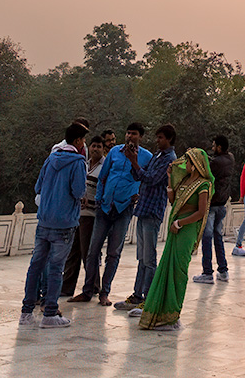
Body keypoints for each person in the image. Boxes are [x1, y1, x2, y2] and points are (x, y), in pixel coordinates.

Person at [128, 148, 214, 332]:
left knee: (178, 272)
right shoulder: (185, 181)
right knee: (166, 270)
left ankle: (173, 316)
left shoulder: (203, 185)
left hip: (186, 229)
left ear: (196, 163)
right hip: (175, 228)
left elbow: (200, 213)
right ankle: (160, 313)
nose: (186, 164)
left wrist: (180, 223)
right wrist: (169, 179)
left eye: (189, 161)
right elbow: (173, 199)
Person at [70, 122, 153, 305]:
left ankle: (104, 292)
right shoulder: (115, 152)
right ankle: (88, 290)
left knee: (114, 253)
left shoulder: (146, 157)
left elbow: (148, 180)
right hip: (105, 206)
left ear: (141, 137)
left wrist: (138, 192)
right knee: (93, 251)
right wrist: (99, 198)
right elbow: (103, 176)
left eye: (134, 134)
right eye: (128, 133)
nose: (130, 136)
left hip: (124, 209)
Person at [19, 122, 87, 328]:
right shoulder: (78, 162)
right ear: (77, 141)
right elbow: (78, 192)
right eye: (83, 139)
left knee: (36, 266)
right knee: (56, 269)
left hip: (45, 220)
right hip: (64, 223)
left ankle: (26, 312)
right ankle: (50, 313)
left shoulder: (50, 159)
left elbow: (38, 187)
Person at [114, 124, 177, 311]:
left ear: (169, 139)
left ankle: (149, 299)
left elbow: (150, 178)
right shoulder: (158, 156)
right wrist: (131, 160)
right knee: (142, 257)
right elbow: (140, 175)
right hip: (143, 208)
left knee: (149, 258)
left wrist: (134, 162)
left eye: (161, 138)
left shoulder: (169, 159)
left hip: (152, 210)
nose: (157, 141)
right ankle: (137, 295)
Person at [60, 136, 105, 298]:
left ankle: (93, 286)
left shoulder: (105, 167)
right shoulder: (83, 165)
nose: (95, 149)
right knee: (72, 252)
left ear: (103, 149)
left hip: (92, 215)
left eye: (99, 146)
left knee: (88, 252)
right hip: (76, 215)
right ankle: (66, 287)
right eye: (93, 146)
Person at [193, 133, 234, 283]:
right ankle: (223, 271)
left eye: (214, 145)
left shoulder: (217, 162)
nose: (212, 147)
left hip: (212, 206)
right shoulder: (230, 158)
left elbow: (205, 167)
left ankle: (207, 273)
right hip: (222, 205)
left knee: (207, 238)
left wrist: (196, 155)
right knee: (218, 238)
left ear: (219, 147)